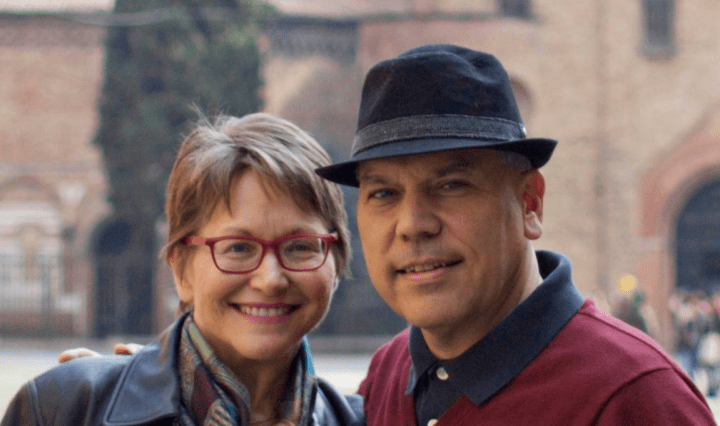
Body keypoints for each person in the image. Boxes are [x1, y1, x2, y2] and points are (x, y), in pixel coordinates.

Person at [315, 44, 716, 425]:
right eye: (384, 193)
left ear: (530, 204)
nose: (412, 225)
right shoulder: (387, 374)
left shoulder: (636, 396)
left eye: (451, 185)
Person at [1, 113, 364, 426]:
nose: (270, 279)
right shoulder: (67, 407)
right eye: (238, 248)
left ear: (336, 262)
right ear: (181, 270)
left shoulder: (366, 419)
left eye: (300, 247)